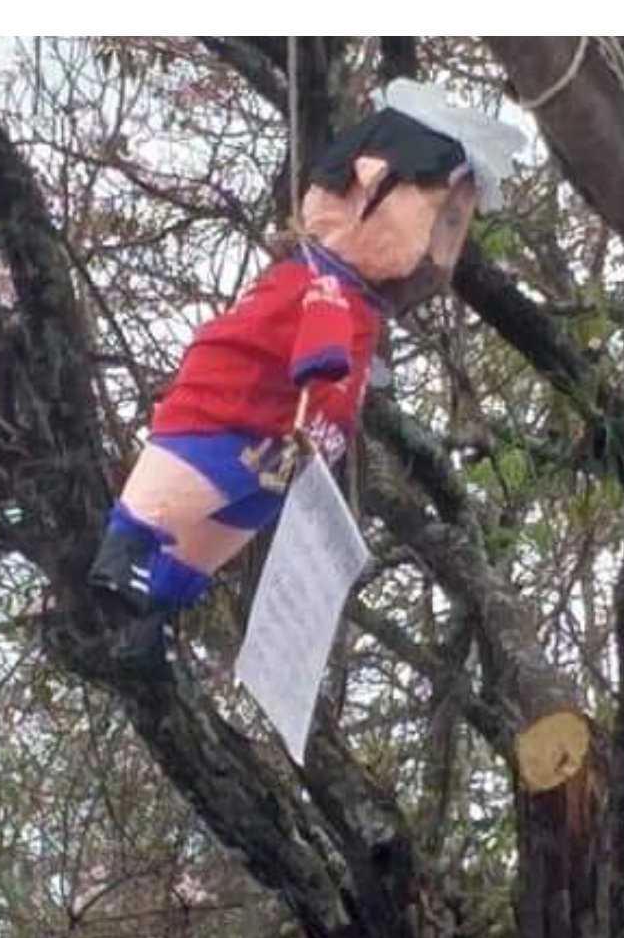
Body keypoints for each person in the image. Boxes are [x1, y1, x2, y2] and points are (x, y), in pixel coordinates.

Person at [87, 80, 521, 655]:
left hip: (283, 455)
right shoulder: (319, 287)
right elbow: (321, 345)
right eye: (440, 219)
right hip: (233, 412)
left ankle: (157, 611)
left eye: (452, 228)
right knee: (177, 493)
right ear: (369, 183)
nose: (440, 249)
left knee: (217, 537)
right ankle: (122, 558)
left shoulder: (359, 309)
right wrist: (328, 366)